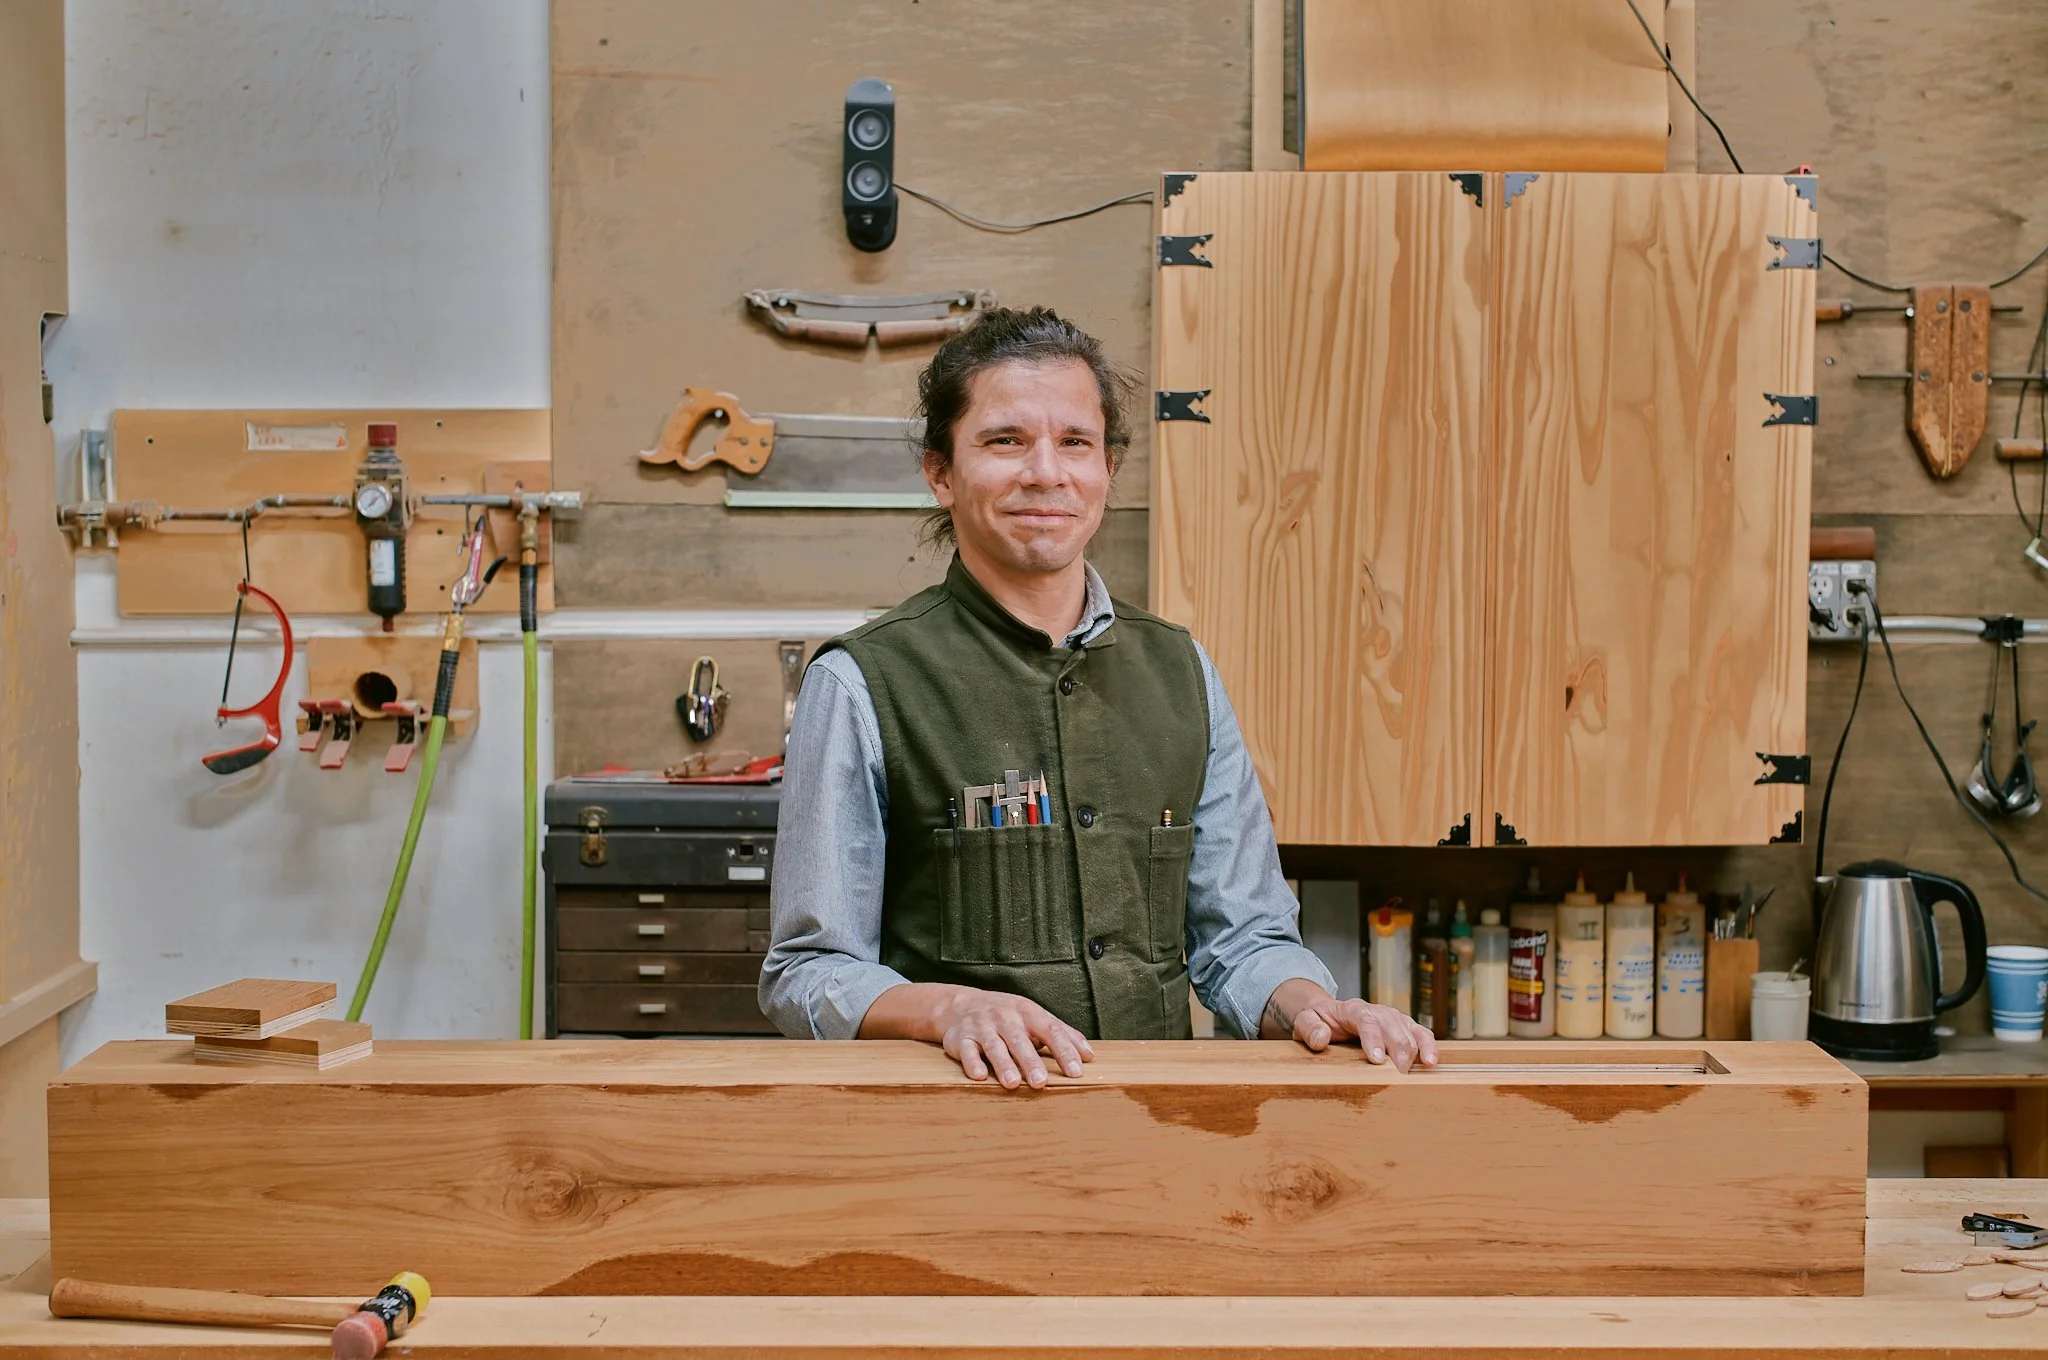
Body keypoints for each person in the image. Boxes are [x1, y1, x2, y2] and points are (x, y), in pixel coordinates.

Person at [759, 306, 1436, 1088]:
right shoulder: (861, 683)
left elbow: (1242, 940)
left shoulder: (1181, 671)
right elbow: (807, 972)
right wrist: (946, 1010)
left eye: (1075, 443)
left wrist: (1317, 1006)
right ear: (940, 472)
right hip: (954, 1148)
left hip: (1161, 1137)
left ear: (1107, 470)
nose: (1046, 472)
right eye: (1005, 441)